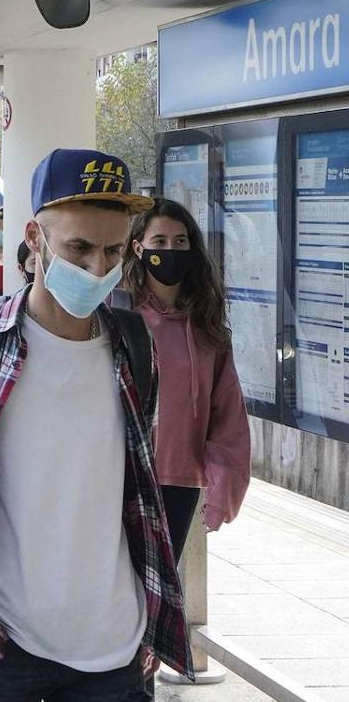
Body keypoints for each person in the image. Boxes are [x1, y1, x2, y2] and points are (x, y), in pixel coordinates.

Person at [0, 148, 192, 701]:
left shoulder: (135, 348)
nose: (97, 269)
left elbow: (139, 491)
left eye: (113, 251)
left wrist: (151, 615)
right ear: (34, 239)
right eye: (78, 249)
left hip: (115, 644)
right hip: (3, 643)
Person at [122, 198, 250, 559]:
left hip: (179, 481)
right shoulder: (119, 314)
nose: (170, 250)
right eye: (159, 241)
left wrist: (223, 488)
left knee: (159, 586)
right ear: (138, 248)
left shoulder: (207, 327)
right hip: (121, 477)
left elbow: (228, 414)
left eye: (180, 241)